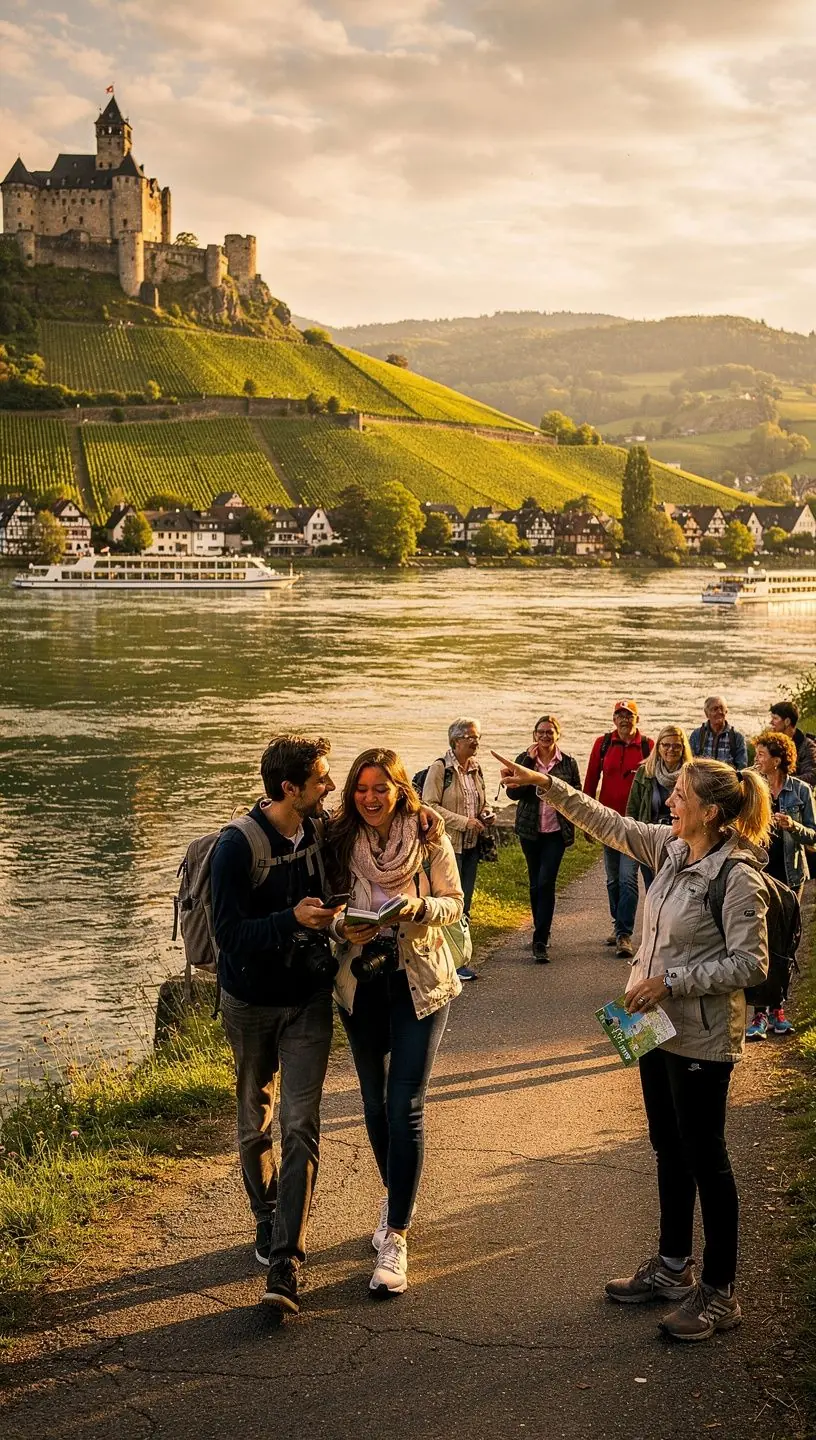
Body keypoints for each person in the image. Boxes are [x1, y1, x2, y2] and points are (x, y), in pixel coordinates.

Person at [493, 746, 770, 1343]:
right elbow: (610, 823)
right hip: (653, 1028)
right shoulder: (672, 850)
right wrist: (549, 786)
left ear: (714, 812)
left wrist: (670, 981)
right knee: (668, 1146)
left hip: (700, 1035)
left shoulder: (736, 876)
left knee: (706, 1157)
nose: (668, 801)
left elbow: (751, 962)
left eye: (681, 796)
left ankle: (720, 1294)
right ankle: (673, 1269)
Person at [211, 735, 343, 1316]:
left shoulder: (318, 831)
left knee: (301, 1124)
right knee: (254, 1121)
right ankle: (265, 1217)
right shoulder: (235, 848)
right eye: (321, 779)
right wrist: (289, 919)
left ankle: (286, 1259)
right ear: (289, 788)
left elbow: (386, 816)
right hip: (251, 1003)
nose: (331, 786)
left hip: (309, 999)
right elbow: (229, 936)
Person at [331, 749, 464, 1298]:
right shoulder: (338, 838)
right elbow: (326, 904)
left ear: (400, 789)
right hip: (361, 984)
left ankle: (397, 1236)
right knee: (371, 1103)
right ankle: (395, 1197)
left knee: (403, 1102)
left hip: (420, 980)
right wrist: (345, 926)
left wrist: (418, 909)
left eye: (380, 788)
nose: (370, 798)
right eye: (361, 788)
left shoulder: (428, 835)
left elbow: (454, 903)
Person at [746, 729, 816, 1040]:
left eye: (761, 755)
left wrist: (793, 826)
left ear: (777, 760)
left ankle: (779, 1010)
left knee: (784, 945)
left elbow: (814, 836)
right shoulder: (753, 789)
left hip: (790, 878)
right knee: (759, 942)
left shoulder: (800, 790)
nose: (756, 760)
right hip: (758, 875)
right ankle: (759, 1012)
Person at [504, 714, 581, 963]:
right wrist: (526, 763)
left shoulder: (568, 763)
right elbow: (513, 795)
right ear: (534, 735)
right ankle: (541, 929)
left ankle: (540, 939)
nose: (545, 736)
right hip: (530, 831)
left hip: (555, 833)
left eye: (550, 732)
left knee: (546, 882)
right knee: (535, 882)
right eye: (541, 732)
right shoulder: (524, 760)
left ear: (558, 735)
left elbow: (576, 796)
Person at [421, 718, 493, 980]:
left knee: (465, 903)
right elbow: (429, 805)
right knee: (448, 902)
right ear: (456, 740)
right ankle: (450, 962)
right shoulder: (441, 768)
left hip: (471, 845)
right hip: (447, 847)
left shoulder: (476, 768)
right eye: (471, 737)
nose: (476, 742)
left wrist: (486, 813)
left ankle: (460, 957)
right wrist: (465, 822)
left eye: (478, 738)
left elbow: (480, 801)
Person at [583, 700, 654, 958]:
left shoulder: (648, 746)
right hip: (607, 823)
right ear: (614, 719)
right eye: (620, 715)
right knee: (613, 878)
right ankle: (618, 923)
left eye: (629, 715)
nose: (624, 720)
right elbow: (591, 781)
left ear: (637, 718)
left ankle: (624, 934)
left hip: (635, 825)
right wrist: (587, 821)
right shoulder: (602, 745)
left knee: (627, 878)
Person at [626, 726, 692, 888]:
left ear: (683, 749)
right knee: (653, 886)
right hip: (651, 839)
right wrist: (632, 839)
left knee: (678, 887)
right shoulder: (645, 772)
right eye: (666, 745)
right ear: (658, 747)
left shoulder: (691, 775)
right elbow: (633, 808)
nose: (671, 749)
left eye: (677, 745)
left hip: (682, 840)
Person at [689, 697, 748, 770]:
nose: (719, 712)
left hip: (727, 780)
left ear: (726, 711)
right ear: (707, 714)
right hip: (703, 780)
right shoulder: (697, 735)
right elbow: (689, 762)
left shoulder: (737, 737)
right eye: (715, 709)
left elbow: (742, 766)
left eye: (721, 708)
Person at [769, 700, 816, 787]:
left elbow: (812, 776)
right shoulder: (770, 743)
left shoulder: (807, 746)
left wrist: (782, 782)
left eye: (775, 718)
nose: (771, 722)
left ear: (787, 721)